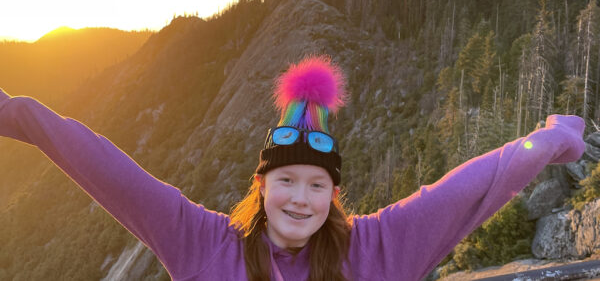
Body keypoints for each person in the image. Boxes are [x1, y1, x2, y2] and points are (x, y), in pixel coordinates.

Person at [0, 55, 585, 281]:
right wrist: (19, 114)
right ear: (261, 185)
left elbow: (470, 189)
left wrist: (550, 138)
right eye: (286, 181)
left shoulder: (379, 247)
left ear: (335, 193)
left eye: (317, 184)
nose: (301, 199)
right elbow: (107, 169)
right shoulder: (202, 242)